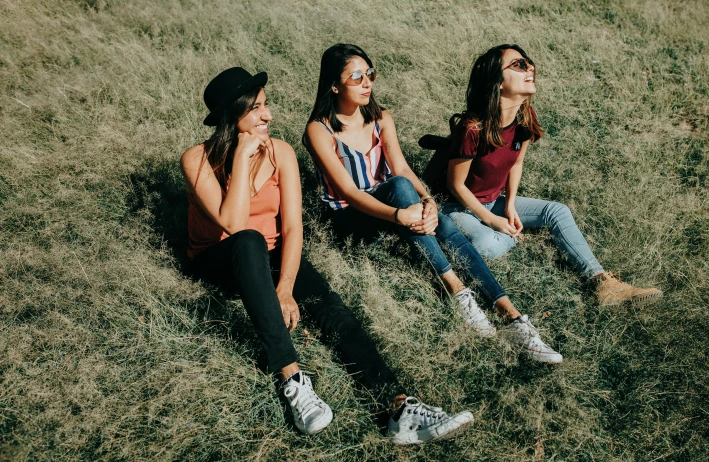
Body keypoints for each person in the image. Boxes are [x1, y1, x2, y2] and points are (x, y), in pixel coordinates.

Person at [181, 67, 474, 444]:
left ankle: (399, 408)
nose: (268, 116)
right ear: (230, 118)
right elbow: (234, 225)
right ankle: (293, 380)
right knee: (250, 239)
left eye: (266, 106)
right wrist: (241, 158)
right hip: (219, 259)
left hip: (271, 254)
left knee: (332, 308)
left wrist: (285, 288)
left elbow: (292, 229)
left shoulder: (281, 152)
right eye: (256, 109)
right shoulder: (197, 160)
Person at [303, 44, 563, 364]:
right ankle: (457, 290)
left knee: (438, 217)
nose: (367, 82)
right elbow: (349, 192)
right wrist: (401, 215)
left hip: (396, 204)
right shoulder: (319, 129)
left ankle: (511, 316)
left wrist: (426, 201)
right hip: (351, 217)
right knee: (400, 189)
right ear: (334, 84)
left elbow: (400, 168)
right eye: (356, 76)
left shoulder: (381, 118)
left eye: (370, 73)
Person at [441, 44, 663, 307]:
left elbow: (516, 163)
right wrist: (492, 220)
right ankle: (506, 236)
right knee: (488, 246)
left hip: (495, 201)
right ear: (497, 81)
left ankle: (603, 283)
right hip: (459, 206)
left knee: (557, 212)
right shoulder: (473, 128)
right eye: (519, 65)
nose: (530, 67)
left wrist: (510, 205)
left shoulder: (525, 116)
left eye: (529, 62)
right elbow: (455, 186)